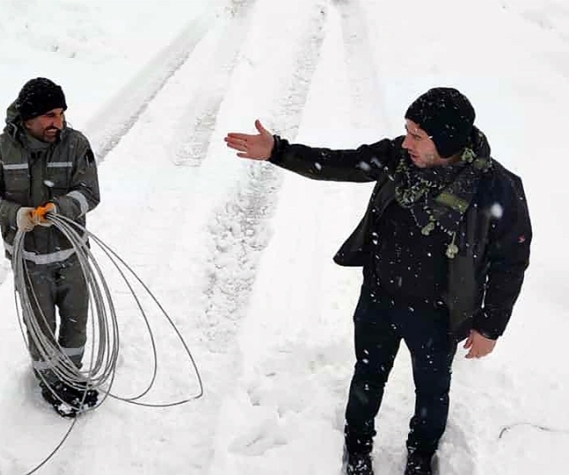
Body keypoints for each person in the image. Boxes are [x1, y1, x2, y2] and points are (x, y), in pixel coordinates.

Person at [225, 87, 531, 475]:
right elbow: (342, 163)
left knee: (433, 392)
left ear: (448, 140)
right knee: (367, 377)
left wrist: (490, 326)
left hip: (438, 315)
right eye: (406, 131)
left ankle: (420, 456)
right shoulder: (399, 159)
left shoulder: (496, 187)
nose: (406, 142)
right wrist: (277, 152)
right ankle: (357, 448)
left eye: (417, 135)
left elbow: (511, 262)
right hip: (380, 298)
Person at [0, 77, 101, 417]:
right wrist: (16, 215)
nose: (58, 122)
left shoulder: (75, 144)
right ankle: (49, 382)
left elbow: (90, 193)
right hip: (28, 259)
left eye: (61, 114)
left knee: (75, 323)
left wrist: (61, 209)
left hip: (72, 256)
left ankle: (71, 375)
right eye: (49, 116)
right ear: (27, 118)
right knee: (40, 326)